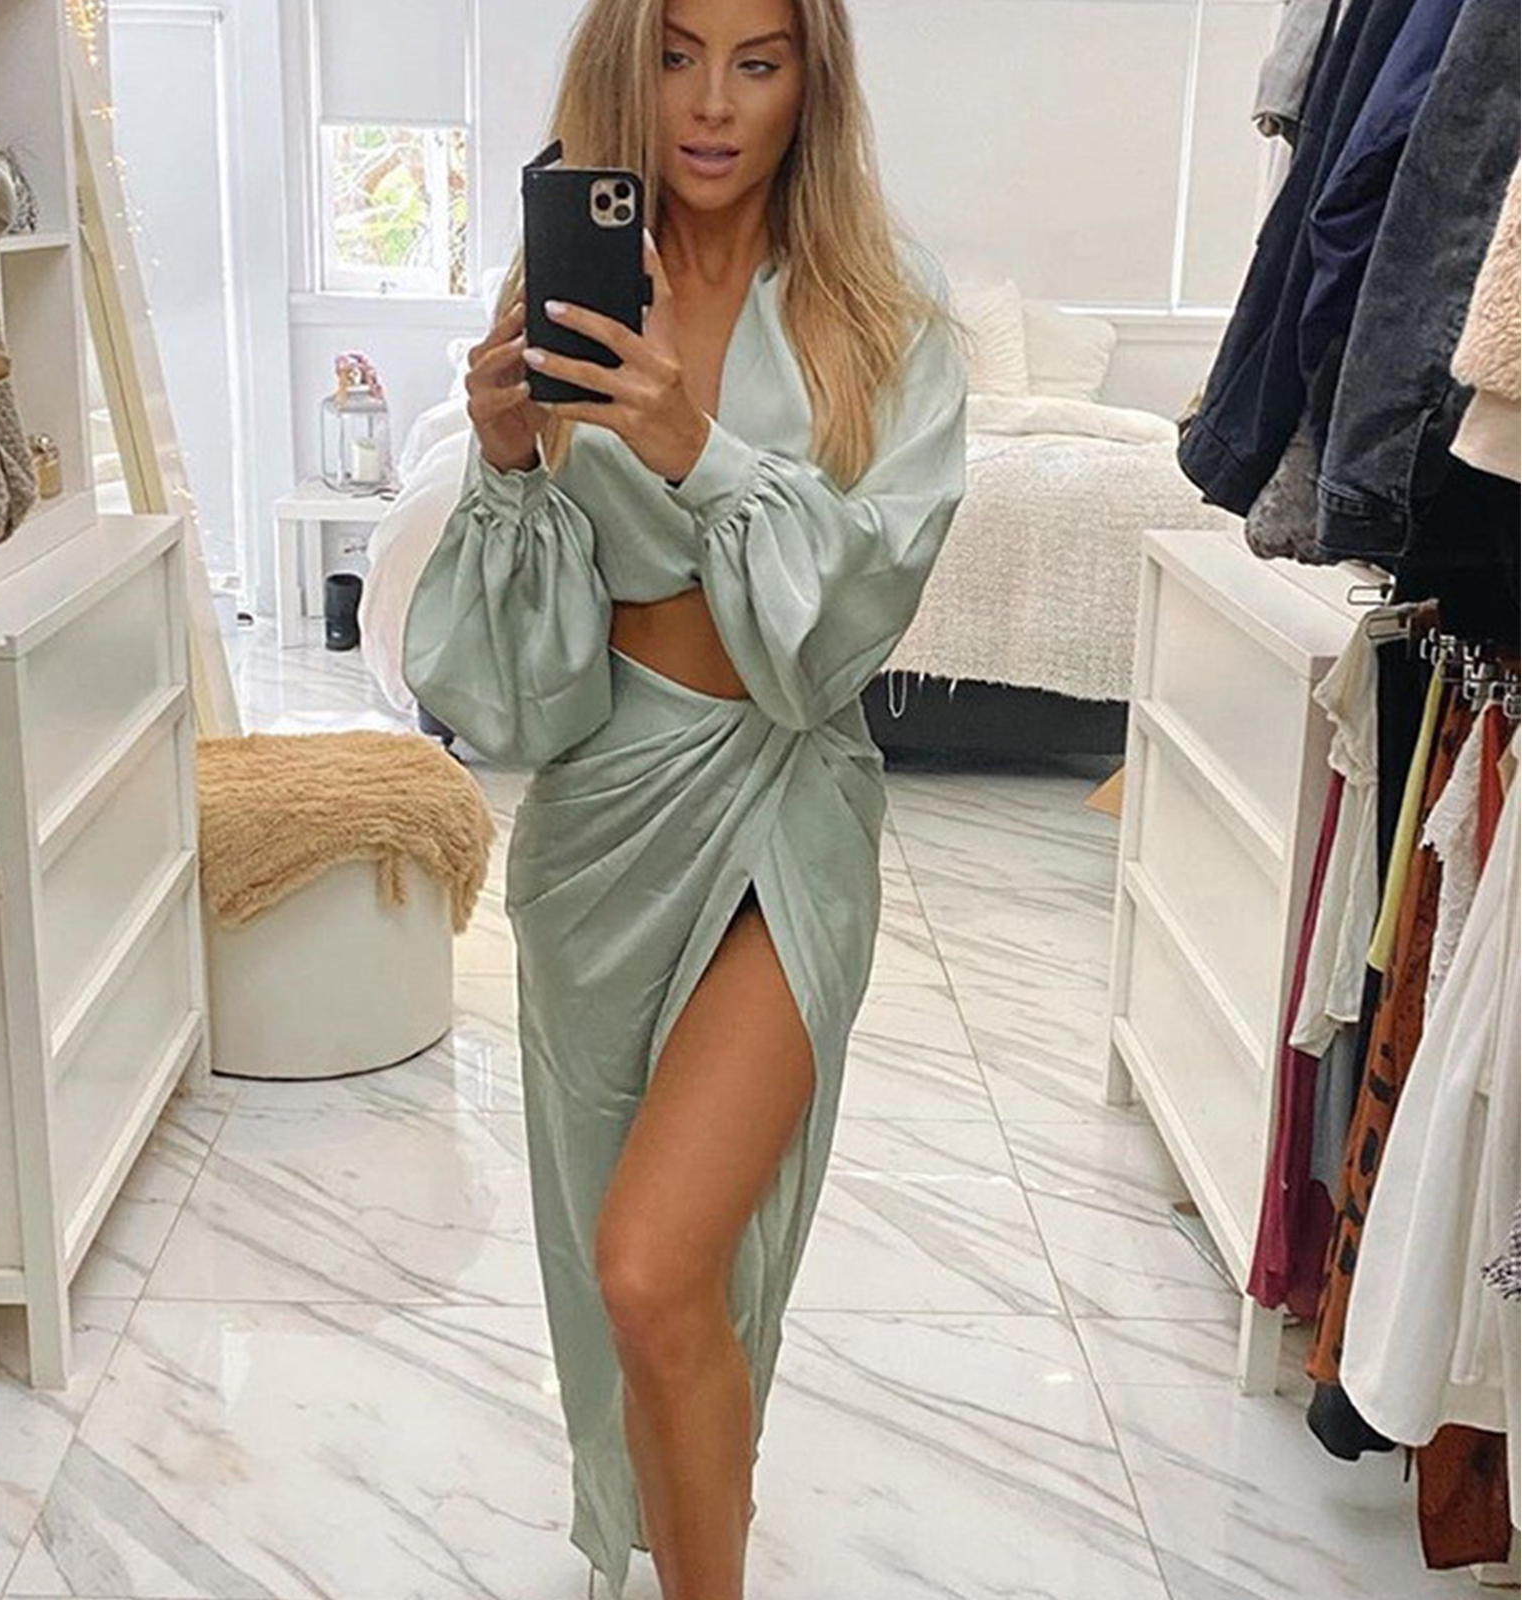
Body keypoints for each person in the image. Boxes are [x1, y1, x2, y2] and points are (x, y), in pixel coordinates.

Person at [403, 1, 970, 1594]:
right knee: (628, 1297)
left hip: (788, 802)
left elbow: (849, 622)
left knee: (658, 1265)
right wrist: (507, 465)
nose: (713, 102)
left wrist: (691, 444)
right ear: (624, 68)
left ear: (810, 82)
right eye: (676, 54)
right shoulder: (571, 293)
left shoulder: (883, 315)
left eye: (758, 59)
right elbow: (517, 693)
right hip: (601, 823)